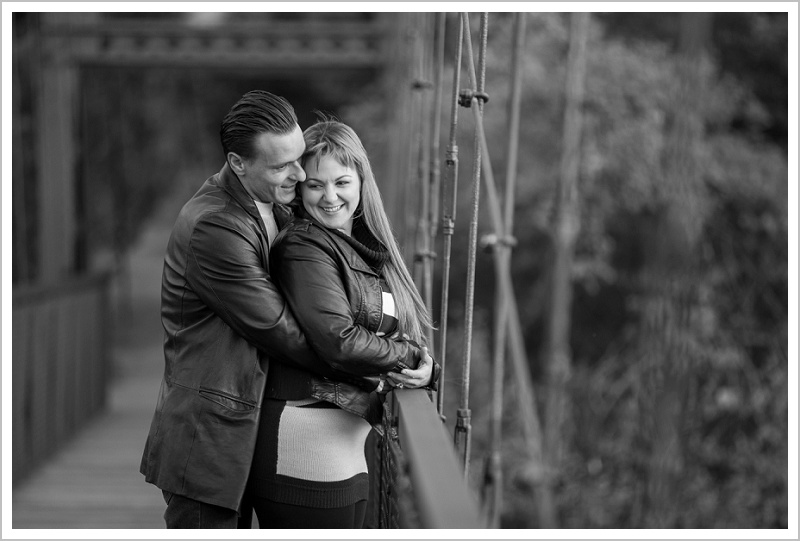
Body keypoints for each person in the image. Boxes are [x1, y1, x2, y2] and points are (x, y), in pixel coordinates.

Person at [139, 91, 434, 528]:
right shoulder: (217, 226)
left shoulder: (275, 205)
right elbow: (292, 333)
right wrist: (396, 358)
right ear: (239, 164)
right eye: (282, 166)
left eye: (299, 158)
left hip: (248, 426)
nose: (299, 174)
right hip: (210, 440)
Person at [244, 118, 439, 529]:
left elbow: (383, 332)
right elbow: (340, 340)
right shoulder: (305, 246)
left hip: (347, 444)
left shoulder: (362, 251)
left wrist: (425, 365)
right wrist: (409, 356)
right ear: (300, 190)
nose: (329, 197)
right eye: (315, 185)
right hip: (306, 441)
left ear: (361, 183)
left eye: (342, 182)